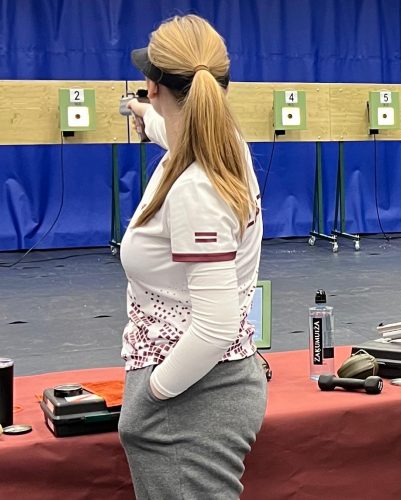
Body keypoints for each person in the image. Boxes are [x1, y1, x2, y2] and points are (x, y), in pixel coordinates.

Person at [116, 14, 267, 499]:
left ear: (153, 85)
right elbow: (173, 130)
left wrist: (153, 396)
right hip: (200, 386)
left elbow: (215, 327)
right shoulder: (224, 147)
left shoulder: (197, 188)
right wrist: (142, 114)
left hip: (190, 395)